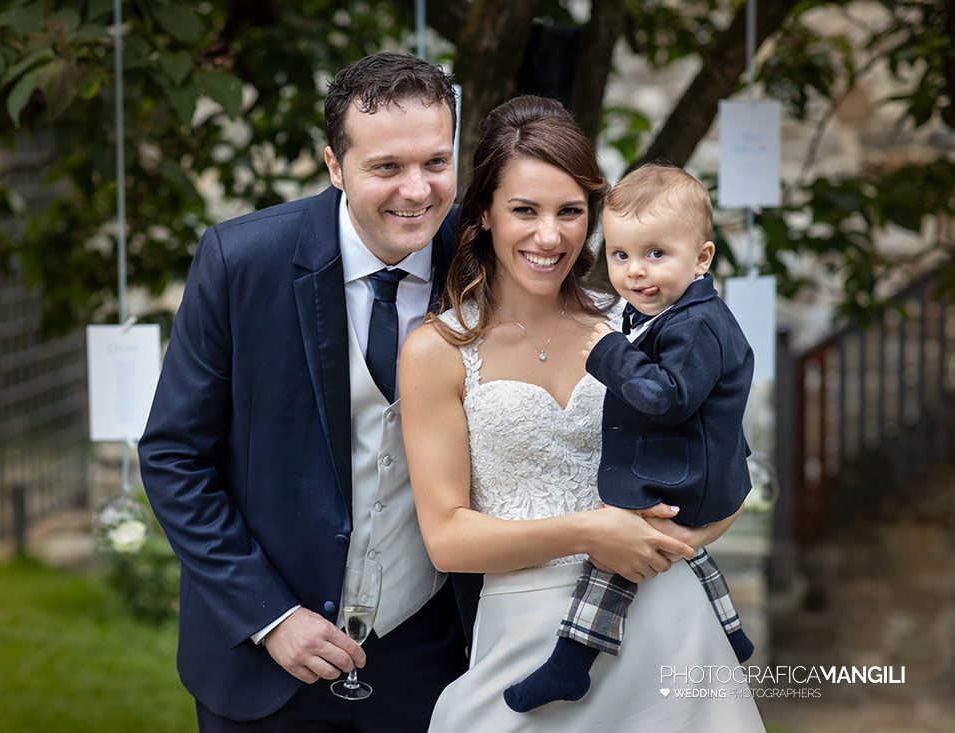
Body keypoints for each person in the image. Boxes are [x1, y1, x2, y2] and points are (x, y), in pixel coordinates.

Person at [400, 96, 764, 731]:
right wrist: (592, 532)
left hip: (671, 625)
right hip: (526, 635)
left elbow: (729, 463)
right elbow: (448, 539)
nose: (551, 235)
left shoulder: (639, 323)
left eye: (570, 212)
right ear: (484, 213)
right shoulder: (438, 349)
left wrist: (679, 542)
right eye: (524, 210)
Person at [138, 52, 477, 732]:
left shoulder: (484, 262)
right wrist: (269, 615)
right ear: (333, 165)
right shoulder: (242, 260)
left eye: (436, 162)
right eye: (387, 167)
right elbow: (175, 455)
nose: (417, 191)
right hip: (264, 662)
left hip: (432, 658)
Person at [503, 163, 755, 714]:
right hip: (700, 469)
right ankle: (731, 630)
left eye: (655, 254)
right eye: (620, 256)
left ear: (703, 258)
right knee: (672, 541)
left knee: (618, 547)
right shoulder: (673, 311)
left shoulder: (695, 324)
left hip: (693, 473)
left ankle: (572, 662)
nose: (635, 272)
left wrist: (606, 350)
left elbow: (666, 399)